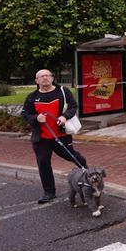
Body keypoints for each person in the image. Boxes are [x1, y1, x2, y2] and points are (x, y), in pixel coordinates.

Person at [21, 69, 88, 204]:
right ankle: (49, 192)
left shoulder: (62, 91)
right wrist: (35, 118)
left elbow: (73, 106)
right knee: (43, 164)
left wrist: (65, 116)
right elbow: (24, 113)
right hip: (42, 139)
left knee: (73, 156)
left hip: (61, 136)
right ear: (36, 81)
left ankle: (88, 176)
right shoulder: (32, 97)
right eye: (41, 76)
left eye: (47, 75)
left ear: (52, 78)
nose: (45, 78)